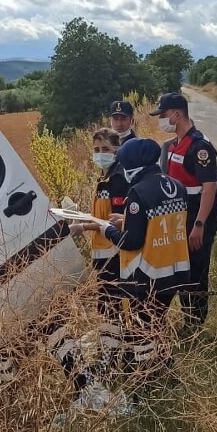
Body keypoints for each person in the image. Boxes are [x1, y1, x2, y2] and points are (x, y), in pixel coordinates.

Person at [100, 137, 190, 369]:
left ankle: (148, 374)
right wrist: (128, 219)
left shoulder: (138, 193)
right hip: (176, 271)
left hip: (149, 277)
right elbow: (159, 223)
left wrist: (107, 230)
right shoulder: (176, 186)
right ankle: (165, 362)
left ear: (133, 165)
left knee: (143, 328)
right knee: (159, 319)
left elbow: (131, 242)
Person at [152, 92, 217, 328]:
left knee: (197, 271)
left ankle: (195, 324)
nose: (160, 119)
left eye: (163, 115)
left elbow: (209, 188)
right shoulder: (172, 145)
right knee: (182, 270)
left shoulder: (199, 146)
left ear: (177, 114)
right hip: (180, 219)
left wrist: (199, 225)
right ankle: (187, 319)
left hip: (197, 219)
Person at [69, 128, 130, 313]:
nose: (100, 154)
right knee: (105, 299)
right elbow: (102, 214)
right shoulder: (103, 177)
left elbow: (117, 221)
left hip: (114, 251)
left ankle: (114, 337)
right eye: (96, 150)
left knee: (111, 301)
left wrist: (84, 226)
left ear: (116, 150)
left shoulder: (117, 178)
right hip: (102, 248)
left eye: (106, 149)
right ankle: (109, 336)